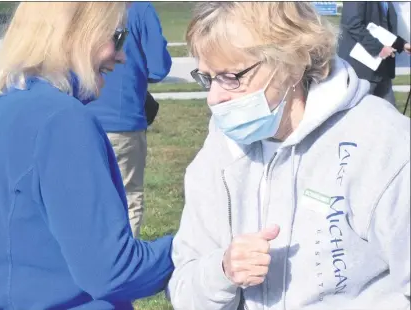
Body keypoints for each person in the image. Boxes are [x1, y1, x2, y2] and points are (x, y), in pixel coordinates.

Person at [167, 2, 410, 310]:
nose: (214, 97)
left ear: (292, 64)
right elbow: (184, 289)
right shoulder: (219, 150)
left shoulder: (384, 143)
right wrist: (222, 272)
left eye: (231, 76)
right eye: (208, 78)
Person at [0, 2, 173, 310]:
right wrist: (193, 245)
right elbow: (113, 271)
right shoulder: (61, 119)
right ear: (77, 34)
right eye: (117, 38)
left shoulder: (1, 107)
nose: (121, 56)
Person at [87, 1, 171, 238]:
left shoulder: (81, 7)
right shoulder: (139, 10)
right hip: (122, 119)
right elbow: (159, 67)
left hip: (80, 115)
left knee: (86, 194)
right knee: (127, 194)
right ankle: (122, 261)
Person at [338, 1, 411, 107]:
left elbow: (382, 29)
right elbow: (352, 24)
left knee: (389, 117)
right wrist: (379, 49)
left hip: (382, 71)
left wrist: (402, 44)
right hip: (361, 71)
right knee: (361, 117)